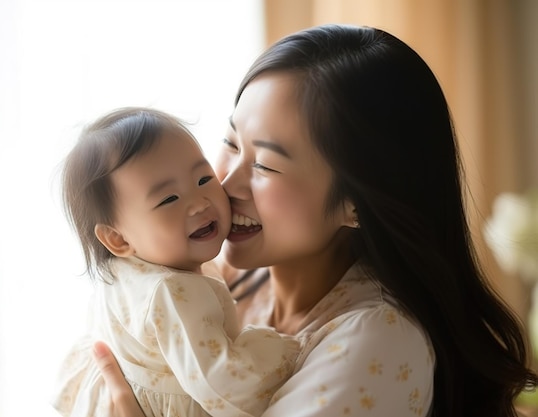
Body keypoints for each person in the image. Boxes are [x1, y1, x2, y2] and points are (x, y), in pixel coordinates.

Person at [87, 24, 538, 417]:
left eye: (264, 164)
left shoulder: (378, 340)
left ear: (356, 203)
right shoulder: (227, 280)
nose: (225, 181)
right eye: (230, 141)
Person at [52, 107, 301, 417]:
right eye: (169, 199)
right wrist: (285, 350)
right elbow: (230, 386)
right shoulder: (171, 291)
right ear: (118, 239)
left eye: (203, 179)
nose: (199, 203)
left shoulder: (126, 271)